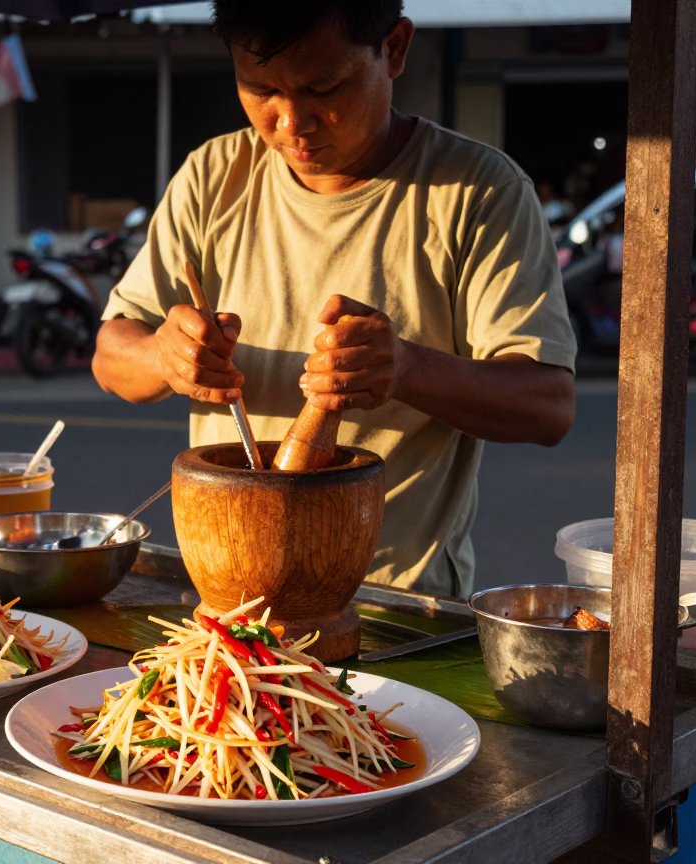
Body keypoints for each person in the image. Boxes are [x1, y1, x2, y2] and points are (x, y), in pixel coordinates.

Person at [92, 0, 577, 597]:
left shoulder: (479, 192)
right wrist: (163, 357)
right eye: (260, 88)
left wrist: (407, 368)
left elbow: (549, 406)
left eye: (324, 87)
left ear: (394, 48)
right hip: (227, 599)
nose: (292, 122)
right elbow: (113, 354)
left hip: (395, 606)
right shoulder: (213, 177)